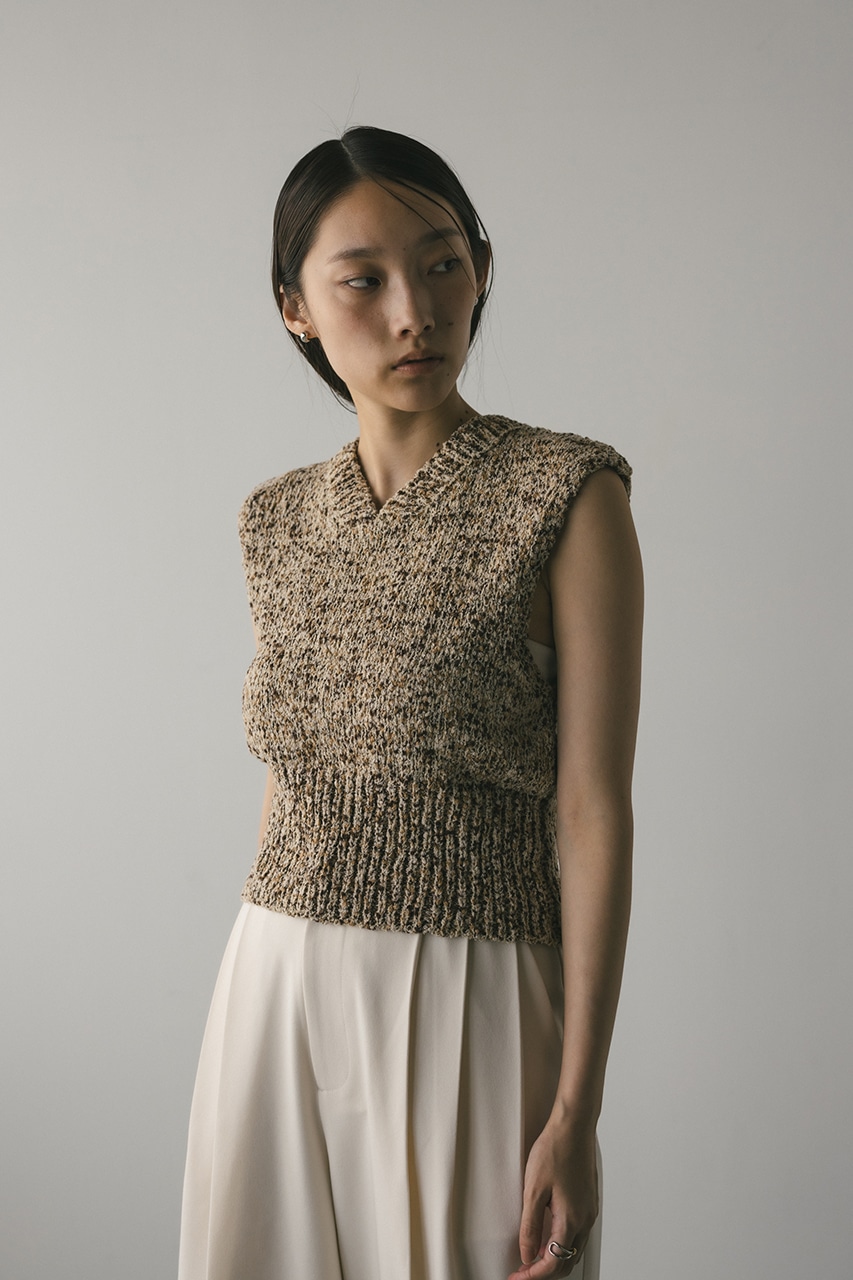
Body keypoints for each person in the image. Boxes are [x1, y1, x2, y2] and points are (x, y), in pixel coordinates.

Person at [178, 125, 643, 1280]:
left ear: (481, 267)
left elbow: (592, 808)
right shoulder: (274, 520)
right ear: (295, 307)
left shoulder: (565, 493)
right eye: (364, 280)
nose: (414, 312)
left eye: (443, 264)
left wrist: (578, 1105)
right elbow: (293, 777)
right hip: (277, 984)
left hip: (470, 995)